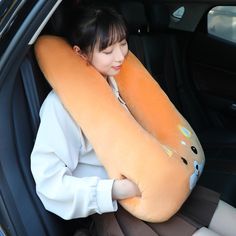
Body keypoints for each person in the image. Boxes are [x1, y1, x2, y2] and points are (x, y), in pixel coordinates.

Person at [31, 5, 236, 236]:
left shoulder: (121, 81)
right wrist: (116, 190)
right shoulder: (61, 105)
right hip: (120, 205)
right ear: (80, 53)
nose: (120, 57)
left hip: (161, 179)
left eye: (123, 44)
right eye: (107, 51)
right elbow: (50, 184)